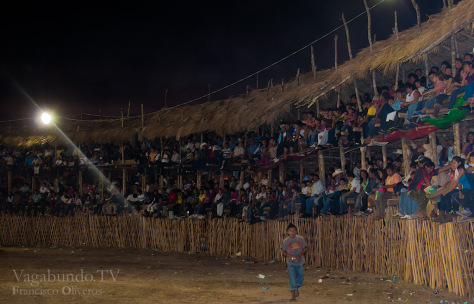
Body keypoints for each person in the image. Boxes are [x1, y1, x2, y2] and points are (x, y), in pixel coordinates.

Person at [280, 223, 307, 301]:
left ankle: (296, 288)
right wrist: (290, 256)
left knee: (300, 278)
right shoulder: (286, 241)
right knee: (292, 278)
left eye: (294, 230)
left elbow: (304, 248)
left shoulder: (300, 239)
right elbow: (283, 251)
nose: (292, 232)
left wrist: (299, 255)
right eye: (291, 231)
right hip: (290, 263)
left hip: (300, 262)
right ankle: (293, 295)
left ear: (296, 231)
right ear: (288, 232)